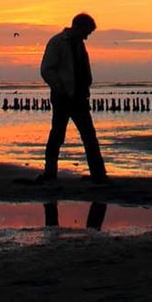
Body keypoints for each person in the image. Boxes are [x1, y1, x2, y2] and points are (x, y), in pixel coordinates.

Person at [38, 12, 109, 185]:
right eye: (86, 32)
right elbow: (46, 69)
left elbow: (82, 69)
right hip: (63, 97)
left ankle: (98, 174)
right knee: (58, 135)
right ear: (78, 27)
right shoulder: (57, 42)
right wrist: (60, 87)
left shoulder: (78, 44)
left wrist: (85, 86)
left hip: (79, 97)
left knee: (89, 135)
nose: (87, 36)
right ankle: (50, 172)